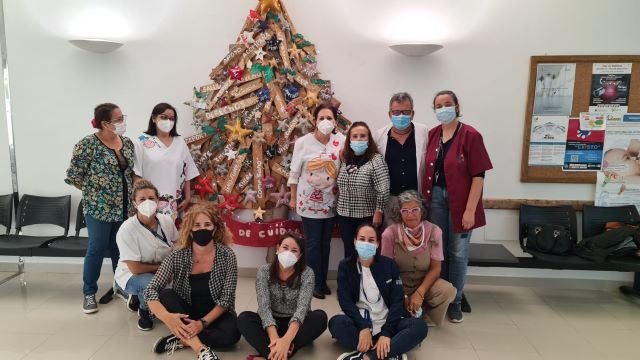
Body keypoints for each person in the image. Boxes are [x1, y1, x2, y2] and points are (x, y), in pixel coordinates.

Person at [421, 90, 493, 323]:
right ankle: (439, 297)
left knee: (458, 253)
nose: (443, 109)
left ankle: (456, 301)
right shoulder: (433, 135)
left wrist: (470, 210)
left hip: (462, 203)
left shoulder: (471, 135)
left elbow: (479, 176)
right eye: (438, 105)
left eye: (447, 104)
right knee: (438, 253)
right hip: (436, 201)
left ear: (457, 106)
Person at [144, 204, 241, 360]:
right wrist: (166, 317)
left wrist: (202, 323)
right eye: (197, 225)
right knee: (166, 293)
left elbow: (227, 299)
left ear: (215, 228)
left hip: (215, 314)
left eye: (207, 224)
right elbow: (151, 290)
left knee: (234, 333)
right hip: (187, 312)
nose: (202, 229)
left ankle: (181, 339)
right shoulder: (178, 255)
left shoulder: (227, 255)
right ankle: (201, 350)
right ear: (190, 231)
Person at [65, 103, 134, 314]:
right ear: (105, 123)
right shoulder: (88, 144)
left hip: (124, 207)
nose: (123, 122)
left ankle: (120, 286)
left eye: (123, 117)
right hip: (98, 208)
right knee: (97, 247)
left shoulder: (128, 143)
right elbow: (74, 176)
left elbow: (131, 173)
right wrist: (96, 194)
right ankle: (89, 292)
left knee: (119, 248)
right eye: (119, 119)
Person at [329, 224, 428, 360]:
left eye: (371, 240)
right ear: (355, 241)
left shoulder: (389, 265)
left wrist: (387, 333)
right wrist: (363, 327)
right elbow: (345, 301)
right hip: (360, 322)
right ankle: (390, 351)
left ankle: (369, 356)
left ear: (377, 243)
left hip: (388, 321)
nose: (366, 243)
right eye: (362, 239)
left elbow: (397, 301)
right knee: (336, 324)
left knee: (419, 327)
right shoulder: (346, 266)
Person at [237, 233, 328, 360]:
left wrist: (286, 340)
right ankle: (281, 353)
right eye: (285, 247)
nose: (288, 253)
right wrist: (275, 338)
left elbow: (302, 309)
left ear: (300, 255)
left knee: (320, 317)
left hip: (296, 324)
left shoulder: (307, 273)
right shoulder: (264, 271)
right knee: (244, 319)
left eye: (294, 250)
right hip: (271, 324)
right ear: (277, 248)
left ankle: (277, 352)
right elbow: (264, 307)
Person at [288, 103, 345, 299]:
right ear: (314, 121)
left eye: (329, 118)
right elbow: (294, 172)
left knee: (325, 243)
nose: (325, 122)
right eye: (321, 118)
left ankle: (322, 281)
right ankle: (313, 284)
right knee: (312, 243)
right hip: (308, 202)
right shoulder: (303, 142)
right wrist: (293, 198)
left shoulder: (341, 141)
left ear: (335, 122)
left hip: (331, 202)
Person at [380, 190, 456, 326]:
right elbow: (386, 270)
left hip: (424, 284)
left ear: (422, 210)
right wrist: (401, 295)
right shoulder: (389, 234)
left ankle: (427, 317)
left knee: (448, 290)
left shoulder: (435, 231)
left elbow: (436, 269)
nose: (410, 215)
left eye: (415, 210)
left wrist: (419, 293)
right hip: (397, 284)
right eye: (405, 211)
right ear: (399, 213)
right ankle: (406, 313)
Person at [114, 179, 178, 330]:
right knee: (151, 284)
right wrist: (165, 270)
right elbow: (135, 268)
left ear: (158, 201)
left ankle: (136, 298)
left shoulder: (166, 221)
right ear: (134, 203)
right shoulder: (127, 229)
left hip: (160, 269)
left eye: (151, 198)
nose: (147, 202)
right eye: (142, 199)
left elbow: (178, 243)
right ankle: (145, 310)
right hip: (132, 274)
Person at [133, 103, 199, 222]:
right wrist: (142, 200)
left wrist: (188, 197)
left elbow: (188, 170)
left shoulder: (179, 142)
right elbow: (136, 174)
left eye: (172, 119)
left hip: (172, 202)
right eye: (163, 117)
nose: (168, 121)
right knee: (148, 235)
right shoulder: (141, 141)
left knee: (167, 236)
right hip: (148, 201)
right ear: (153, 118)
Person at [337, 121, 390, 258]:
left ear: (369, 139)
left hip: (367, 216)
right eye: (355, 136)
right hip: (344, 216)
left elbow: (383, 189)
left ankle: (367, 279)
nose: (359, 139)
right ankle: (351, 279)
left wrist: (379, 211)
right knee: (349, 252)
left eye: (362, 136)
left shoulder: (376, 160)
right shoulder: (344, 159)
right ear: (349, 140)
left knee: (367, 254)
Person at [374, 92, 428, 197]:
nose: (401, 116)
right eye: (397, 112)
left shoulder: (424, 132)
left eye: (406, 112)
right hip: (390, 199)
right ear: (390, 114)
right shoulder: (379, 135)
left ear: (413, 114)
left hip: (417, 199)